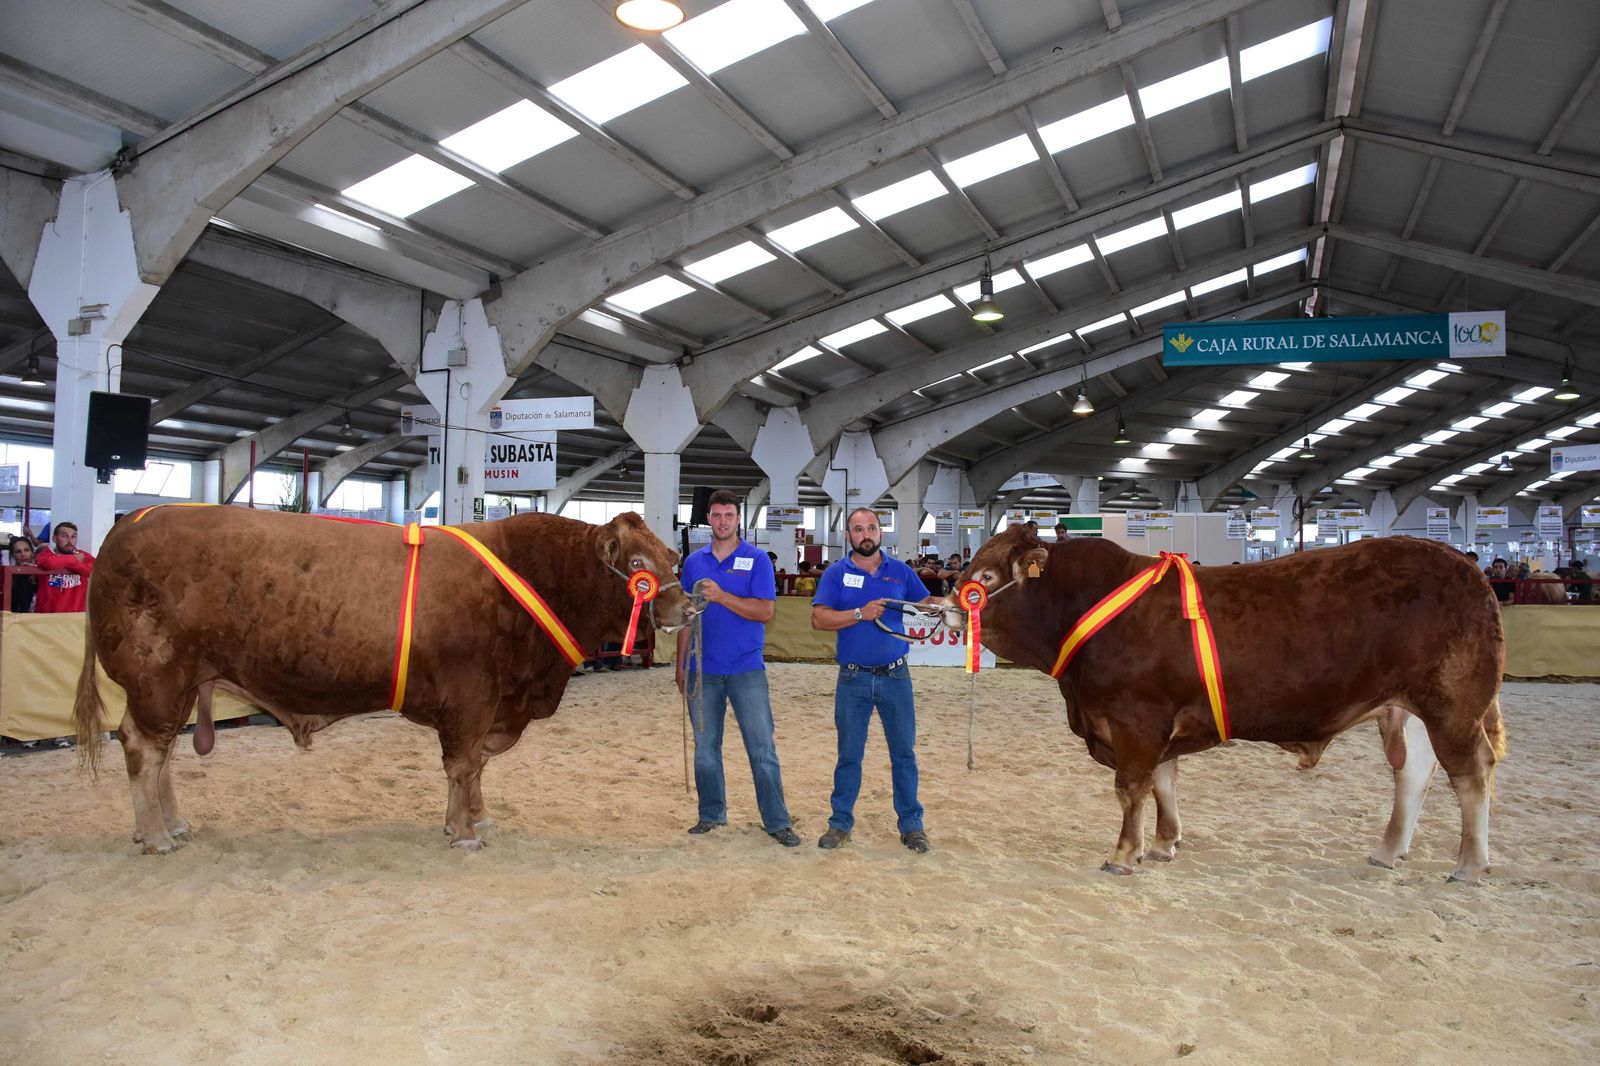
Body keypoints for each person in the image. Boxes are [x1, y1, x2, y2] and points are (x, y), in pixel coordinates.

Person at [810, 507, 941, 854]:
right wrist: (859, 614)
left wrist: (945, 605)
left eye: (871, 528)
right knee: (849, 756)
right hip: (852, 679)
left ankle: (911, 825)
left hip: (896, 676)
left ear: (880, 532)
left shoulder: (900, 571)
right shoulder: (836, 573)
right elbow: (819, 619)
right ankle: (840, 824)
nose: (865, 534)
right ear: (849, 536)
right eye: (857, 529)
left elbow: (924, 602)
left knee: (904, 754)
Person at [676, 490, 799, 847]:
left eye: (728, 515)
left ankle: (777, 822)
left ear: (738, 519)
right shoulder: (694, 563)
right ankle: (711, 815)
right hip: (703, 669)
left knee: (762, 748)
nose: (722, 521)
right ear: (709, 519)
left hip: (747, 669)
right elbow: (687, 618)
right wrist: (681, 665)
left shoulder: (757, 559)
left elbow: (766, 612)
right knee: (705, 749)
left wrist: (722, 597)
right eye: (716, 515)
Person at [34, 521, 95, 613]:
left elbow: (92, 570)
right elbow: (49, 563)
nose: (70, 541)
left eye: (73, 536)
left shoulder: (84, 556)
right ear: (55, 538)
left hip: (76, 617)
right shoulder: (43, 555)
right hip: (47, 617)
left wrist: (65, 561)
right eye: (64, 536)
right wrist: (74, 560)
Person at [6, 535, 38, 613]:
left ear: (32, 552)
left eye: (26, 550)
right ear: (13, 555)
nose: (23, 554)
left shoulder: (40, 573)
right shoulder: (9, 576)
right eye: (18, 551)